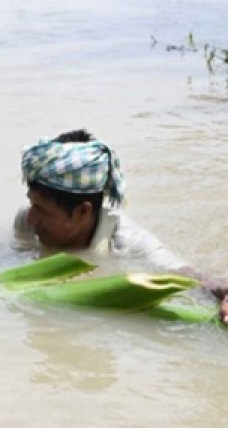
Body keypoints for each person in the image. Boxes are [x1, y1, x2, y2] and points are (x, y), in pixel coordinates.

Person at [15, 129, 228, 323]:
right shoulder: (26, 223)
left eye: (42, 210)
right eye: (31, 203)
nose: (32, 218)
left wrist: (222, 291)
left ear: (83, 212)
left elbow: (185, 275)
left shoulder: (129, 243)